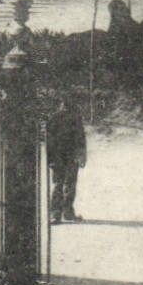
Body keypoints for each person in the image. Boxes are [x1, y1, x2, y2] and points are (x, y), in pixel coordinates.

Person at [46, 96, 87, 224]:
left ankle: (61, 213)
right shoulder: (60, 118)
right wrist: (81, 154)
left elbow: (80, 138)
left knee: (65, 183)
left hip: (65, 155)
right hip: (64, 155)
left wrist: (81, 154)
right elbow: (50, 140)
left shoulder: (58, 118)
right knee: (66, 183)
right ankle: (61, 212)